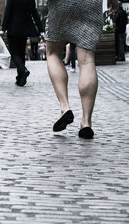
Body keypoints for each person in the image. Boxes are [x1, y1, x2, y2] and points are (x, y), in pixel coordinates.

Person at [46, 0, 103, 139]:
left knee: (53, 53)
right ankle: (86, 122)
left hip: (61, 4)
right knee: (87, 61)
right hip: (91, 4)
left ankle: (65, 107)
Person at [2, 0, 43, 87]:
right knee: (21, 53)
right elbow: (34, 14)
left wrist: (3, 28)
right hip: (25, 29)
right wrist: (41, 29)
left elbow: (8, 12)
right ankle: (20, 78)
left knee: (14, 53)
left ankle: (23, 70)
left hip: (13, 28)